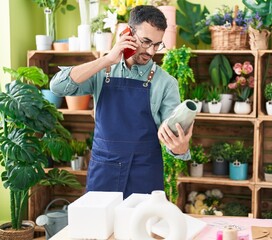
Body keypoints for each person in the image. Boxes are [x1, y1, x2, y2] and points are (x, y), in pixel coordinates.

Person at [50, 5, 193, 198]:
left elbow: (173, 135)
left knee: (143, 228)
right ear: (128, 34)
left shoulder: (166, 83)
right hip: (104, 170)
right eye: (146, 41)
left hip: (145, 174)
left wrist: (180, 147)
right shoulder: (101, 70)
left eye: (157, 44)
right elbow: (58, 86)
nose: (151, 51)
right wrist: (107, 59)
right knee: (99, 228)